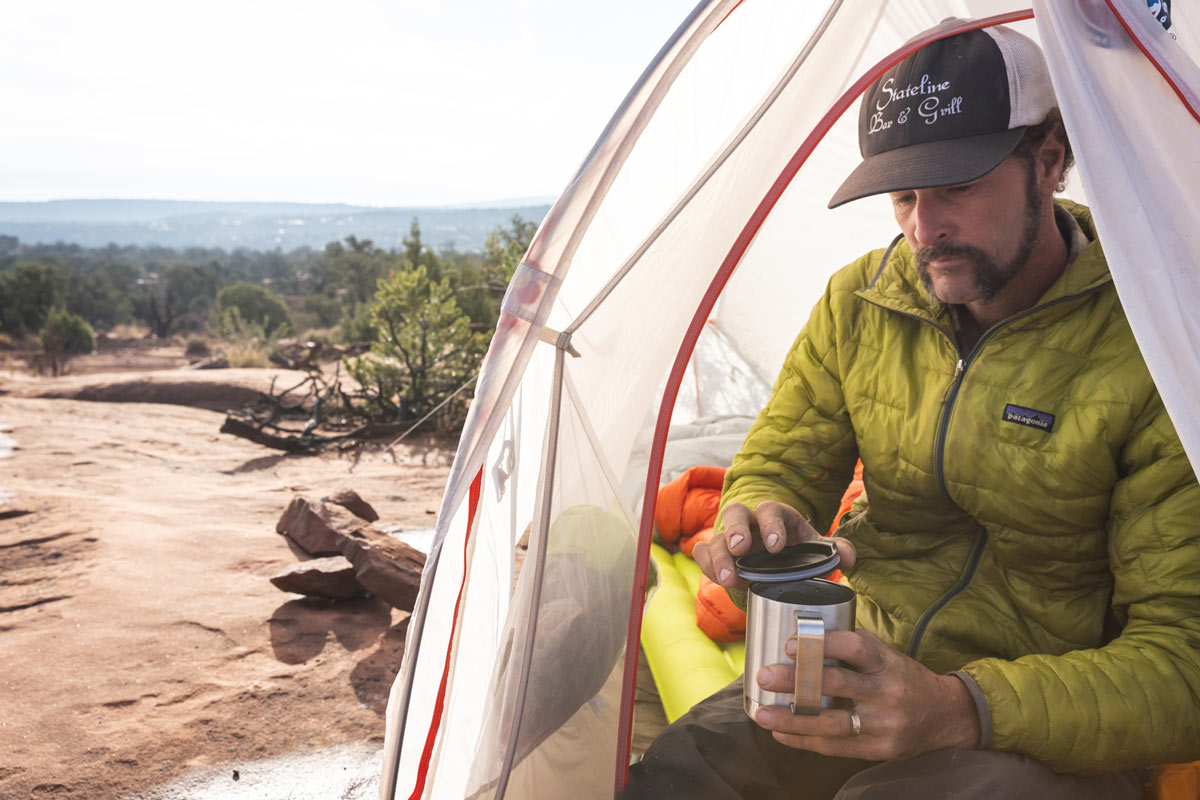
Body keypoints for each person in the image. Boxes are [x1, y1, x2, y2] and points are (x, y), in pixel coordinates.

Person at [622, 19, 1200, 800]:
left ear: (1050, 161)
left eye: (958, 188)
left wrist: (957, 708)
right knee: (681, 775)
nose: (925, 231)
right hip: (862, 665)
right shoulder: (861, 301)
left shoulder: (1153, 336)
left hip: (1048, 725)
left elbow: (1183, 659)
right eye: (902, 196)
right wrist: (758, 510)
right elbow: (782, 456)